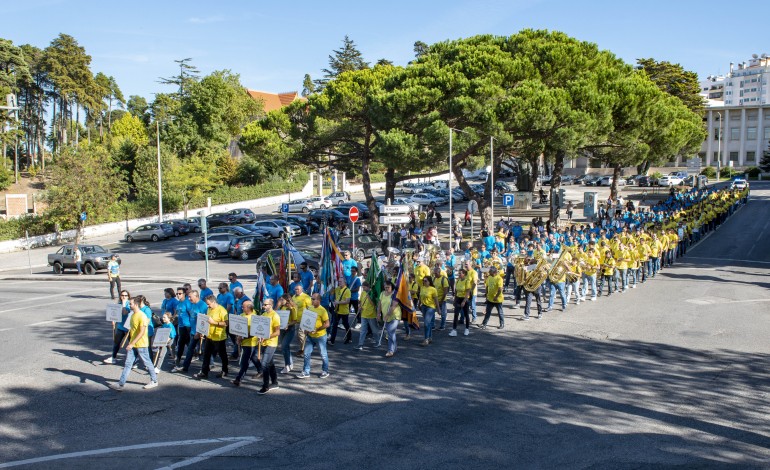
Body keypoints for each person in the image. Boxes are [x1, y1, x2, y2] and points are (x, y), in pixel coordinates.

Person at [108, 295, 158, 391]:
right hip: (133, 344)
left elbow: (141, 332)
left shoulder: (142, 316)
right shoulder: (132, 315)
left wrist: (132, 343)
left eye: (130, 304)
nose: (129, 305)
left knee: (148, 363)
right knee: (128, 364)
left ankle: (154, 381)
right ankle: (121, 384)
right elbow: (132, 329)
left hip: (141, 344)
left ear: (136, 304)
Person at [193, 295, 229, 379]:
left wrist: (214, 322)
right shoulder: (209, 309)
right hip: (209, 335)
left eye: (209, 304)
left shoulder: (222, 310)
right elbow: (206, 320)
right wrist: (202, 331)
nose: (208, 306)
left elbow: (226, 323)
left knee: (222, 355)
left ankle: (224, 370)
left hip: (219, 337)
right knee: (206, 355)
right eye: (207, 304)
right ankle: (204, 372)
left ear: (214, 302)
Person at [296, 293, 331, 379]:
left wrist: (317, 329)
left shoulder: (322, 310)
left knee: (323, 354)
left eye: (313, 299)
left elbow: (327, 324)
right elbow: (307, 321)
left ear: (318, 300)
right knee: (306, 353)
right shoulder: (310, 308)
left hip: (320, 336)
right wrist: (305, 328)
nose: (311, 300)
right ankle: (306, 371)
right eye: (311, 298)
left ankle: (325, 371)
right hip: (310, 336)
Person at [255, 298, 282, 394]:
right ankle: (275, 382)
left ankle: (265, 386)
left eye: (266, 305)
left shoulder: (275, 316)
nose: (263, 306)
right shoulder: (264, 314)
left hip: (271, 343)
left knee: (264, 364)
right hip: (263, 343)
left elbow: (277, 332)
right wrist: (259, 335)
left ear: (271, 305)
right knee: (270, 363)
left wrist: (266, 337)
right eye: (263, 304)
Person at [232, 300, 259, 386]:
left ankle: (239, 378)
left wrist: (242, 337)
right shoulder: (242, 315)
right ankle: (261, 370)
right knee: (253, 358)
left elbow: (253, 333)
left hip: (251, 343)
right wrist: (237, 336)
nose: (241, 308)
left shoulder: (254, 318)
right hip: (243, 342)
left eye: (243, 307)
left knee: (244, 361)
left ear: (249, 308)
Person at [104, 290, 131, 364]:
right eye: (122, 295)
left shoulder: (129, 304)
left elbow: (125, 312)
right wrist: (113, 320)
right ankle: (113, 357)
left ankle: (133, 360)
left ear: (128, 296)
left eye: (125, 295)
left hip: (128, 328)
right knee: (116, 342)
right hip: (120, 326)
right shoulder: (119, 304)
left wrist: (124, 303)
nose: (124, 297)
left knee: (131, 344)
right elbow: (115, 315)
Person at [378, 281, 401, 358]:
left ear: (392, 287)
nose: (386, 288)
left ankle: (390, 350)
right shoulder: (382, 294)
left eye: (388, 287)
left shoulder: (395, 294)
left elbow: (393, 306)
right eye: (385, 287)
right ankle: (394, 347)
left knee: (390, 332)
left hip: (394, 316)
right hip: (386, 316)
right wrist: (378, 314)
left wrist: (387, 315)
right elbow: (379, 304)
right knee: (390, 333)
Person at [353, 281, 377, 351]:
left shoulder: (372, 292)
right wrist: (359, 306)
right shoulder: (363, 292)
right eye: (362, 287)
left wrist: (368, 297)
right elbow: (360, 301)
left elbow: (373, 304)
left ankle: (377, 341)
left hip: (371, 314)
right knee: (363, 330)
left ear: (368, 287)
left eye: (364, 287)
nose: (363, 289)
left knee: (374, 330)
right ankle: (360, 344)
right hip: (363, 314)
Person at [449, 268, 472, 337]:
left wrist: (464, 301)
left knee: (466, 314)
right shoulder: (458, 281)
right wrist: (454, 300)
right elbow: (456, 291)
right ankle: (454, 330)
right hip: (458, 299)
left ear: (464, 274)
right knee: (456, 314)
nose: (459, 274)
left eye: (460, 273)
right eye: (458, 273)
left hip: (464, 299)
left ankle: (467, 329)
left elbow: (468, 291)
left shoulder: (467, 281)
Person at [329, 277, 351, 345]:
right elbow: (331, 293)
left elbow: (347, 301)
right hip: (337, 311)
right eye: (339, 281)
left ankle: (349, 338)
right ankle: (332, 340)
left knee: (346, 325)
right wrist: (332, 286)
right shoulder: (338, 288)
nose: (339, 283)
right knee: (334, 325)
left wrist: (338, 302)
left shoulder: (347, 290)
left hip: (344, 311)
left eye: (341, 281)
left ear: (345, 282)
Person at [419, 276, 438, 346]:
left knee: (426, 323)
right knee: (428, 323)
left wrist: (438, 309)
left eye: (426, 281)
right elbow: (420, 297)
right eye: (423, 280)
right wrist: (419, 304)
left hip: (431, 307)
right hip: (423, 306)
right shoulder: (422, 288)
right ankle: (430, 337)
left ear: (429, 281)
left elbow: (436, 300)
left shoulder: (433, 289)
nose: (424, 282)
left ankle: (426, 339)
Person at [432, 265, 449, 330]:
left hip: (442, 300)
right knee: (432, 312)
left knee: (443, 313)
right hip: (434, 299)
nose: (435, 274)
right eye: (434, 273)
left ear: (439, 272)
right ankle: (433, 325)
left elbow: (445, 292)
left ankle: (442, 326)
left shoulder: (444, 280)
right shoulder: (434, 279)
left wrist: (441, 301)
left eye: (435, 273)